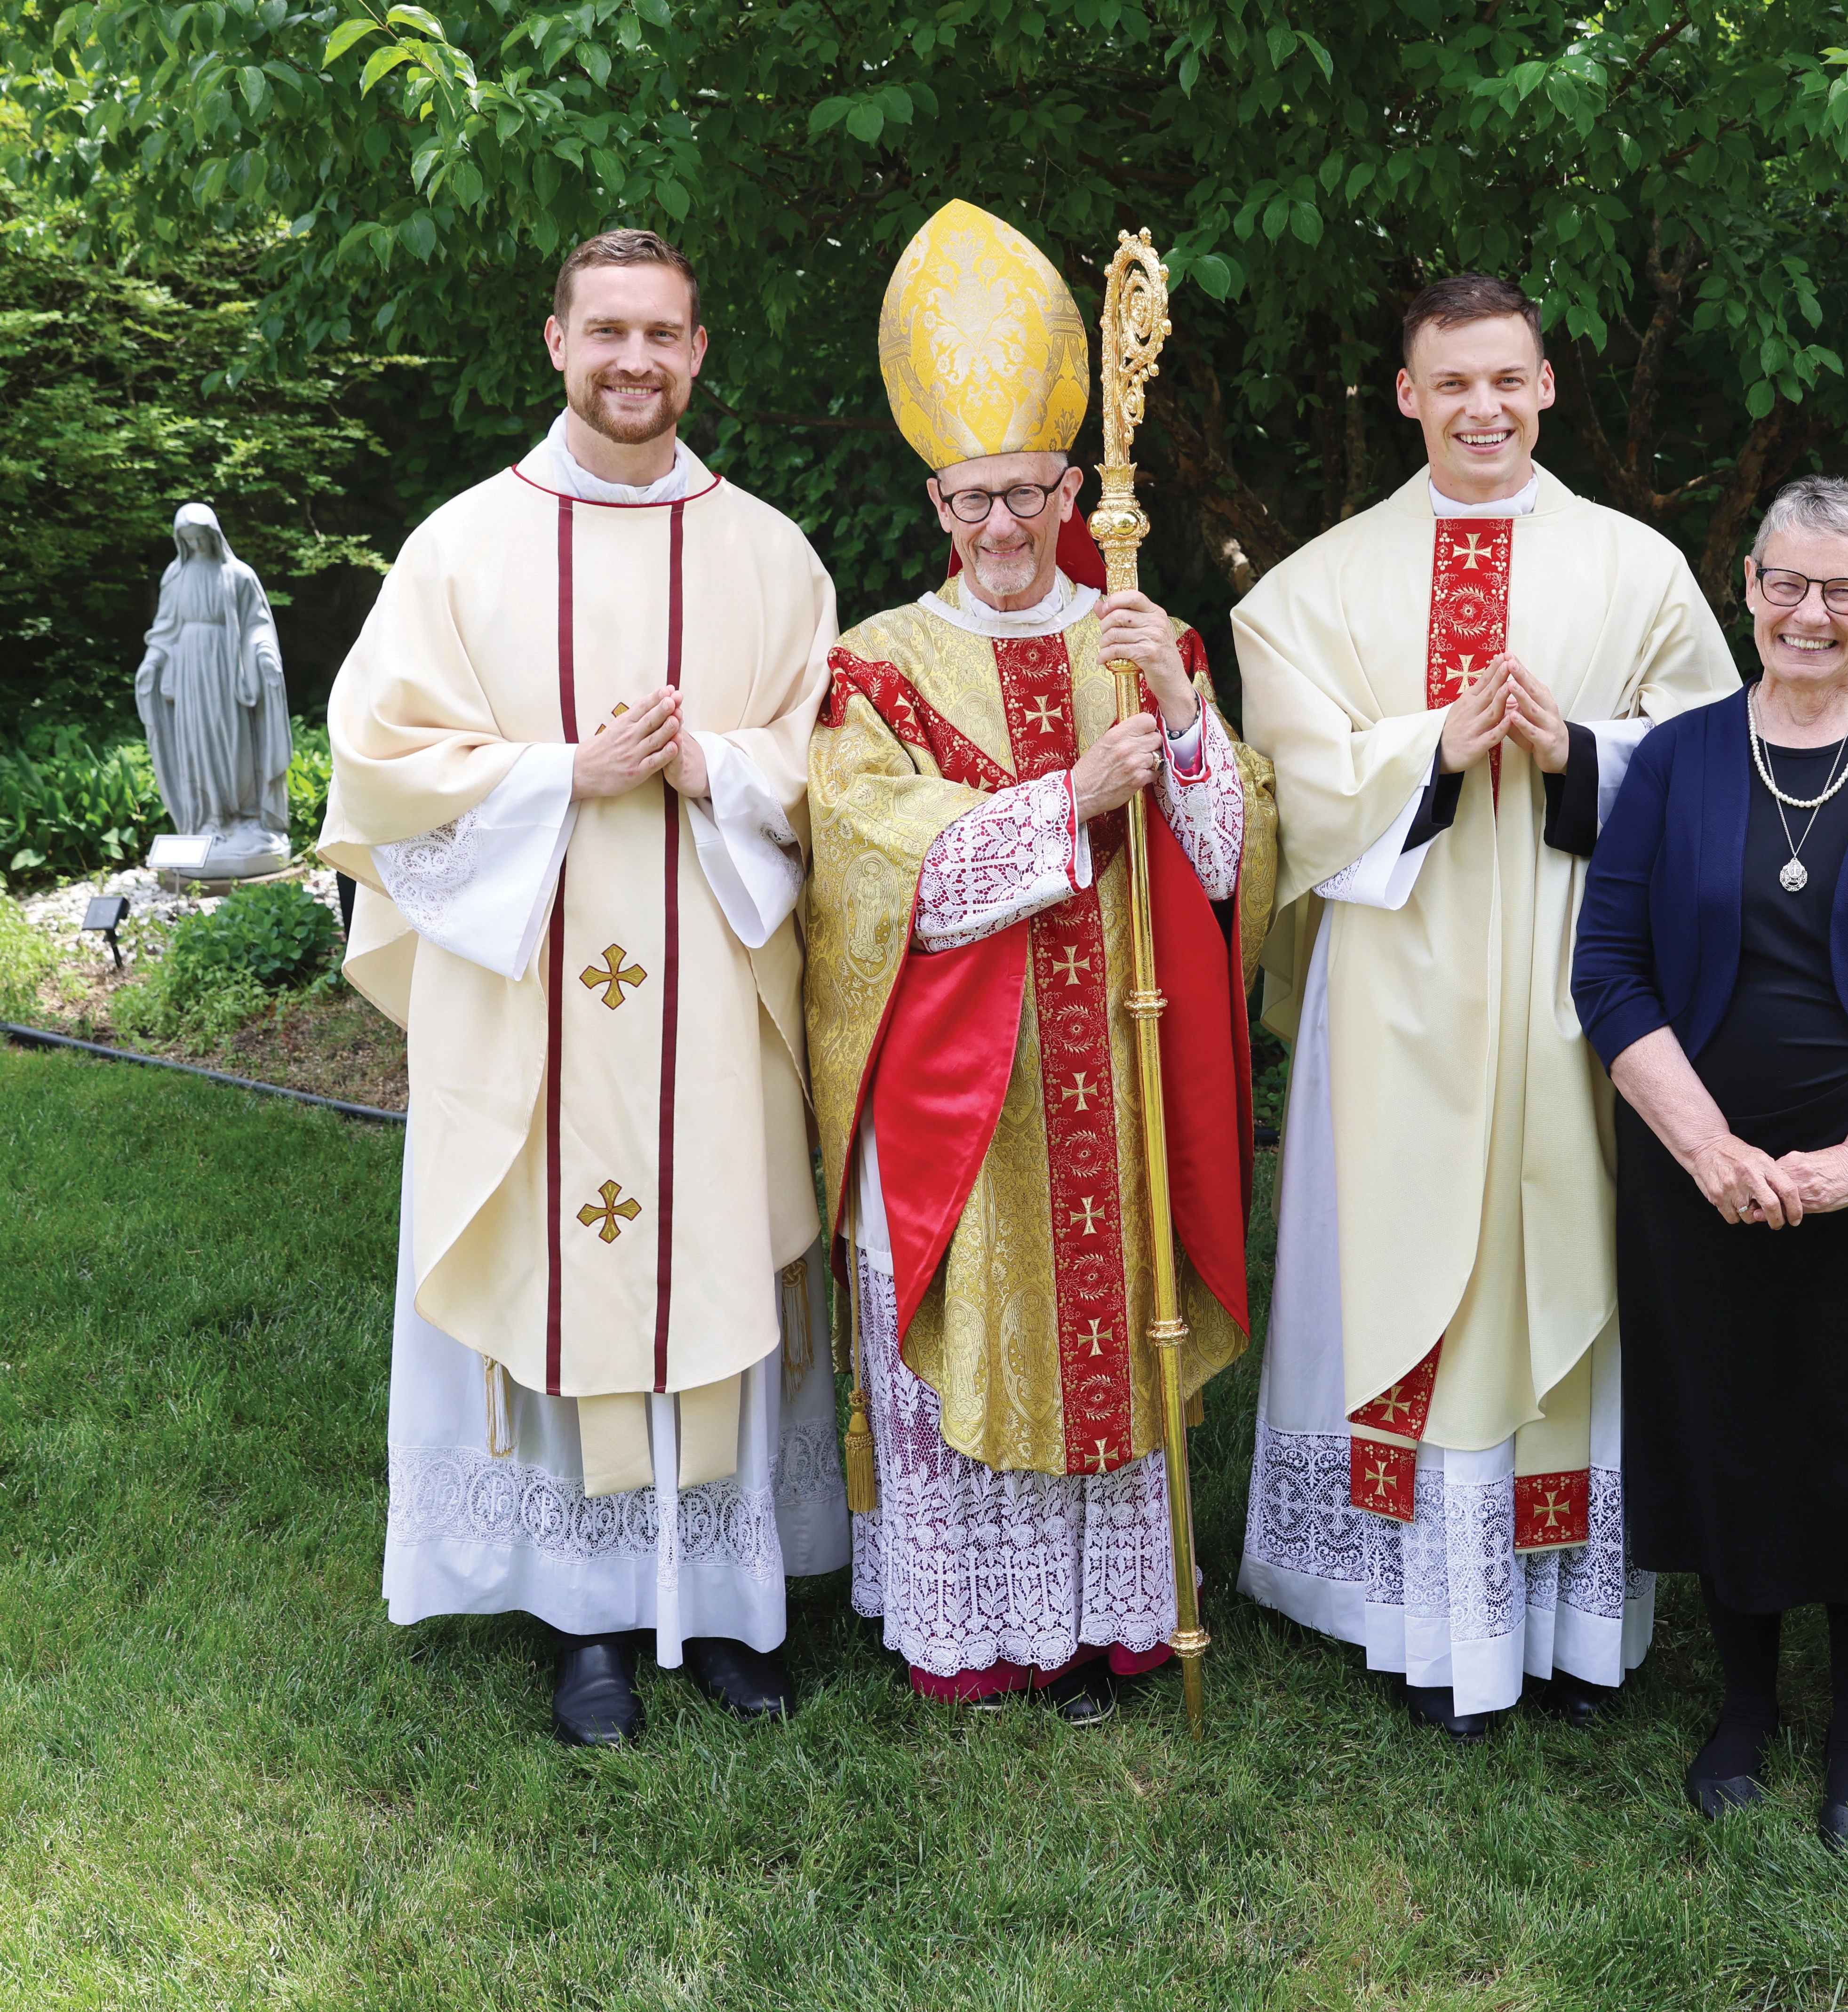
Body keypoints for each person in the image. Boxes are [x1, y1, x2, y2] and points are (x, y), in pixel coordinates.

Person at [321, 228, 845, 1746]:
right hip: (535, 999)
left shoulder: (771, 554)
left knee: (718, 1257)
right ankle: (585, 1620)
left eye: (662, 335)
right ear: (554, 343)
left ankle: (738, 1606)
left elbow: (834, 775)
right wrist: (568, 774)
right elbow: (377, 766)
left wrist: (712, 766)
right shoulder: (460, 549)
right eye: (605, 331)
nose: (635, 361)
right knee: (562, 1264)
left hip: (711, 1011)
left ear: (697, 351)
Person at [1233, 275, 1738, 1738]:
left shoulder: (1632, 569)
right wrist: (1432, 750)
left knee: (1561, 1255)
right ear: (1405, 395)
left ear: (1546, 387)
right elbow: (1298, 793)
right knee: (1400, 1270)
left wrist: (1577, 744)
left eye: (1507, 380)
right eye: (1451, 383)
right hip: (1392, 997)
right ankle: (1407, 1612)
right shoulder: (1312, 588)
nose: (1482, 409)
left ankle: (1561, 1628)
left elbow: (1707, 762)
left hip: (1576, 987)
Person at [803, 200, 1276, 1724]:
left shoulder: (1145, 631)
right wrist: (1063, 803)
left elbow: (1226, 857)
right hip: (968, 1079)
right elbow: (875, 871)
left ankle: (1104, 1629)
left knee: (1114, 1323)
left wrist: (1184, 721)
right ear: (932, 499)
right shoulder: (877, 659)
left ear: (1073, 484)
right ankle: (976, 1629)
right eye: (967, 502)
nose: (999, 529)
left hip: (1122, 1068)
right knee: (981, 1334)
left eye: (1023, 494)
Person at [1571, 475, 1848, 1844]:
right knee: (1731, 1423)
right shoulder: (1674, 762)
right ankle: (1744, 1705)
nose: (1809, 612)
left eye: (1842, 588)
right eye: (1786, 582)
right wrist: (1707, 1146)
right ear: (1749, 591)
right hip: (1697, 1176)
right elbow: (1606, 973)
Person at [135, 503, 295, 879]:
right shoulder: (176, 576)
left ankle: (248, 816)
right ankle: (209, 818)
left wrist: (265, 654)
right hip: (190, 670)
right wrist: (152, 663)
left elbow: (257, 624)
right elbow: (165, 629)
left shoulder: (238, 575)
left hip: (227, 668)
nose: (196, 545)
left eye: (201, 538)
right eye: (188, 540)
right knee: (198, 743)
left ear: (214, 535)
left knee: (234, 743)